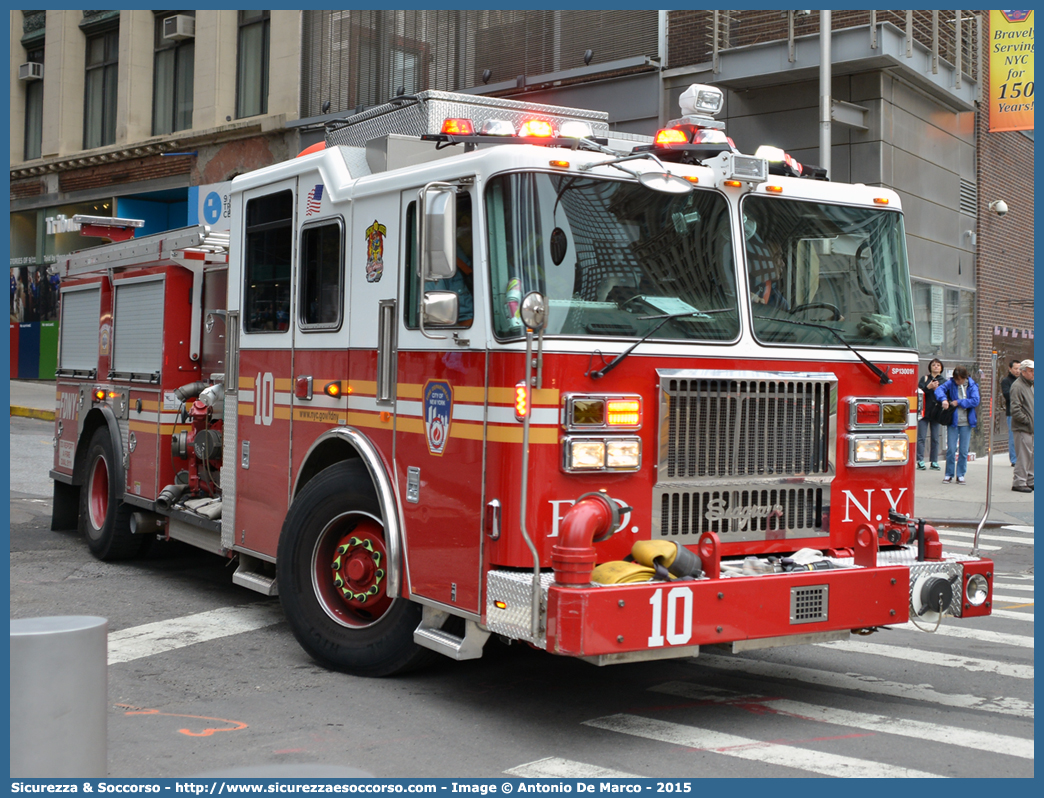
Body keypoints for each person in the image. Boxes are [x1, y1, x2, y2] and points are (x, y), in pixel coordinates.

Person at [934, 365, 980, 485]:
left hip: (966, 422)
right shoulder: (951, 383)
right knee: (951, 449)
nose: (958, 382)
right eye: (956, 379)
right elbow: (939, 390)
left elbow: (975, 400)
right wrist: (943, 399)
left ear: (965, 377)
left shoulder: (972, 385)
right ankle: (949, 474)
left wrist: (958, 402)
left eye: (960, 379)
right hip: (953, 421)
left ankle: (960, 474)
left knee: (964, 451)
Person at [1009, 359, 1033, 493]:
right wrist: (1028, 421)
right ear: (1023, 372)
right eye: (1030, 371)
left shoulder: (1031, 385)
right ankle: (1019, 481)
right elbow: (1015, 409)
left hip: (1031, 427)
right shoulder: (1018, 386)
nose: (1033, 373)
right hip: (1023, 427)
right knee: (1024, 456)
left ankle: (1030, 480)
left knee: (1031, 455)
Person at [916, 358, 944, 470]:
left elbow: (945, 395)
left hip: (936, 413)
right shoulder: (925, 378)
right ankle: (920, 460)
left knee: (935, 438)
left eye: (938, 365)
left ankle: (934, 461)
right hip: (924, 411)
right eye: (934, 365)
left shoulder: (944, 381)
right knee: (921, 437)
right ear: (930, 367)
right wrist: (928, 387)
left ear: (941, 368)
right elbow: (919, 391)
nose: (936, 366)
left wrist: (937, 389)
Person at [1000, 359, 1021, 466]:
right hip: (1012, 413)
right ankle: (1014, 460)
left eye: (1019, 368)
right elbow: (1007, 395)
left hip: (1025, 413)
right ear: (1010, 369)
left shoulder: (1024, 381)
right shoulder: (1006, 381)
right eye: (1015, 368)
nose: (1018, 371)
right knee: (1013, 437)